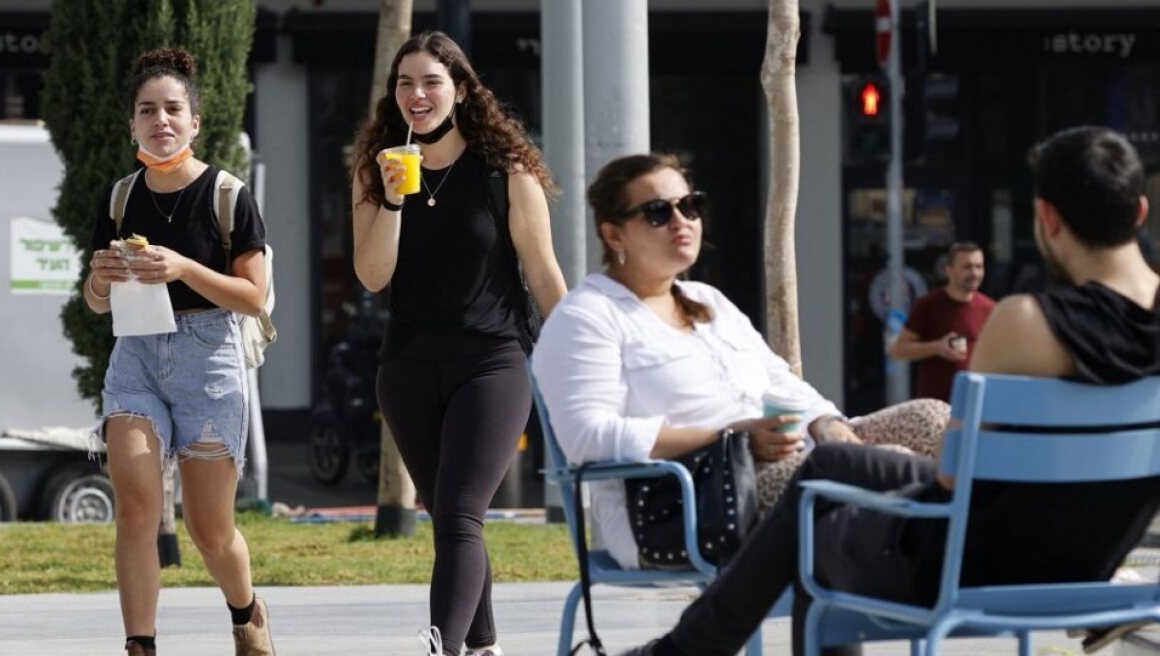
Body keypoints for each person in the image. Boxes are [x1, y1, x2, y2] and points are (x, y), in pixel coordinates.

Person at [617, 126, 1160, 656]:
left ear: (1048, 218)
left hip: (972, 565)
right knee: (830, 463)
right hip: (1088, 561)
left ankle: (688, 649)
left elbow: (952, 471)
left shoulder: (1026, 321)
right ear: (1139, 211)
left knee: (815, 516)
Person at [531, 153, 949, 572]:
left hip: (784, 461)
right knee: (876, 465)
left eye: (690, 205)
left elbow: (778, 382)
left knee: (933, 420)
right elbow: (586, 437)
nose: (682, 221)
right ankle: (956, 540)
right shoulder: (587, 316)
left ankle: (957, 536)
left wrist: (825, 422)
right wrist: (728, 437)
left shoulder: (708, 303)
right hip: (688, 499)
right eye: (658, 212)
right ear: (614, 234)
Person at [350, 31, 567, 656]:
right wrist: (392, 198)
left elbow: (544, 272)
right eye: (405, 83)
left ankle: (441, 648)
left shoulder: (507, 172)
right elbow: (372, 275)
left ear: (461, 90)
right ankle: (483, 647)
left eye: (431, 82)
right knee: (450, 521)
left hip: (492, 361)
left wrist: (583, 352)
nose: (416, 94)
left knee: (459, 514)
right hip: (408, 367)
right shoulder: (375, 169)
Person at [84, 49, 273, 656]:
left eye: (173, 109)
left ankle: (247, 614)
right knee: (137, 506)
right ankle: (140, 645)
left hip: (209, 356)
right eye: (147, 110)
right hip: (136, 355)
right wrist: (103, 278)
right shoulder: (119, 198)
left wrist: (184, 266)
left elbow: (254, 297)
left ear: (195, 122)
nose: (160, 120)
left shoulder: (227, 194)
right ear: (132, 125)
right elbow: (94, 302)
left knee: (209, 528)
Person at [891, 242, 996, 401]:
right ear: (949, 270)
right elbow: (900, 350)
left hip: (977, 404)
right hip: (936, 406)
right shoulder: (928, 305)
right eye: (967, 267)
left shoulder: (990, 309)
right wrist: (938, 347)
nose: (974, 273)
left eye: (979, 266)